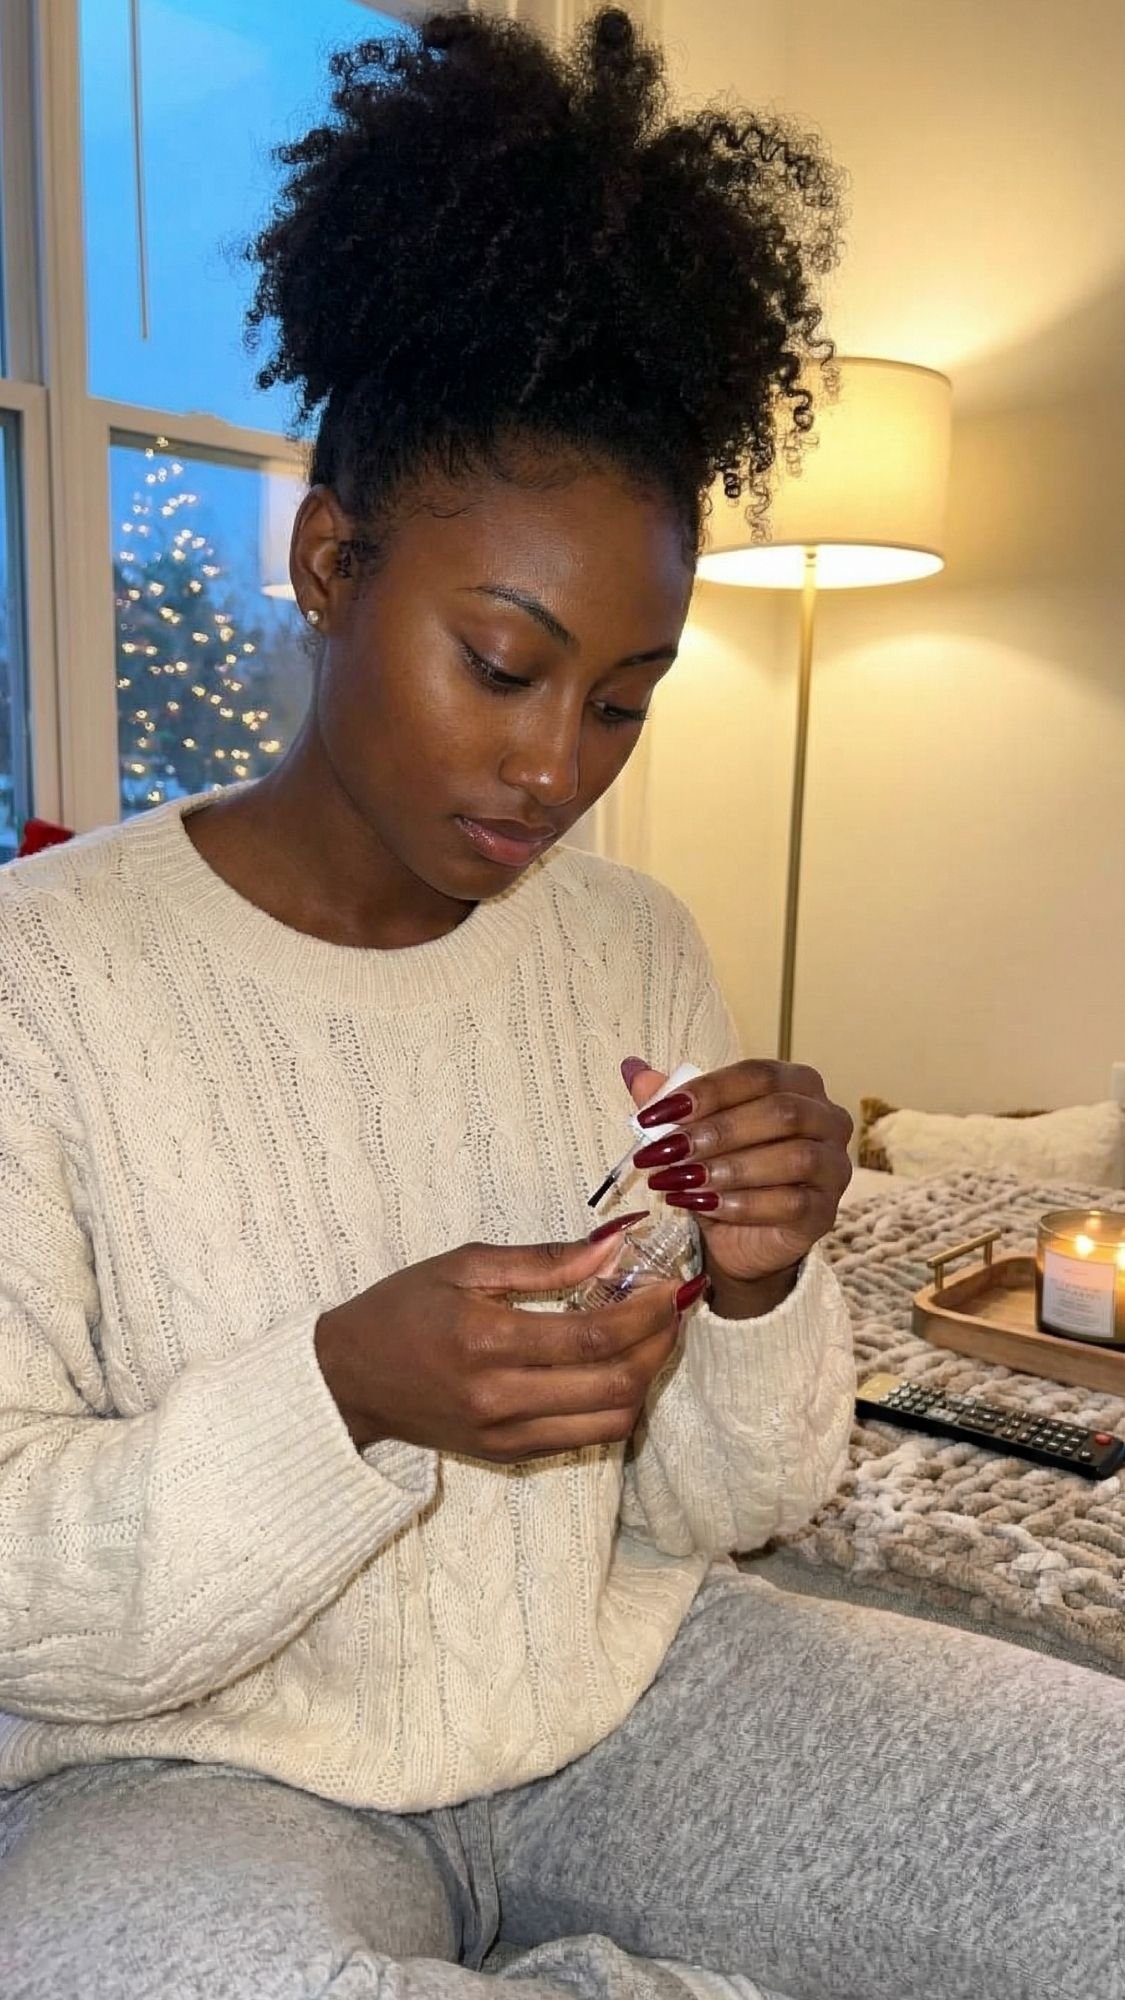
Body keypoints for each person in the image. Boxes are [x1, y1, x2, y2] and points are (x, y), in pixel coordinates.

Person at [2, 11, 1124, 2000]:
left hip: (617, 1693)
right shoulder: (42, 980)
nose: (555, 765)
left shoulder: (627, 946)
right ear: (331, 559)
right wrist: (343, 1388)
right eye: (501, 664)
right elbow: (18, 1602)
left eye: (621, 695)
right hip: (179, 1776)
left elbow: (741, 1503)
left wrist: (764, 1285)